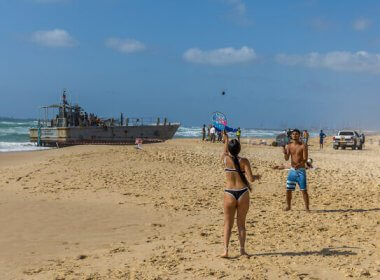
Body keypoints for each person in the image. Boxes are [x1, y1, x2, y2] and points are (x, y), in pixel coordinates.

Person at [221, 130, 260, 258]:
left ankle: (226, 251)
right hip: (242, 192)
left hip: (229, 193)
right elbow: (251, 179)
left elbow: (225, 151)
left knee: (228, 224)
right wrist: (257, 176)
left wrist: (226, 139)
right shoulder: (244, 161)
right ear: (240, 148)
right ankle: (242, 250)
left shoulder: (226, 159)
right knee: (241, 224)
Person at [282, 129, 310, 212]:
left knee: (304, 190)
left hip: (301, 170)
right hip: (292, 170)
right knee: (288, 190)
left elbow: (305, 159)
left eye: (296, 134)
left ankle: (307, 208)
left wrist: (299, 164)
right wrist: (284, 151)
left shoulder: (303, 145)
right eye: (293, 134)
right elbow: (287, 158)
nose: (295, 135)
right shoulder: (289, 146)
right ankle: (288, 206)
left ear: (299, 135)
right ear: (291, 135)